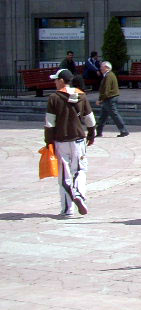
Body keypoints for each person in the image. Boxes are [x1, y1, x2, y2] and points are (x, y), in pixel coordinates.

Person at [44, 68, 96, 217]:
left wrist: (49, 142)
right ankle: (79, 194)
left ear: (61, 81)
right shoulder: (81, 96)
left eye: (55, 79)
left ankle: (67, 209)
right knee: (79, 170)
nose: (54, 82)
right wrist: (91, 134)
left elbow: (49, 123)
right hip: (78, 140)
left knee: (64, 175)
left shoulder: (54, 98)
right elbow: (90, 119)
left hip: (61, 141)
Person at [95, 61, 129, 138]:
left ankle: (124, 130)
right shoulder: (108, 75)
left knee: (114, 115)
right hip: (108, 98)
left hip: (110, 98)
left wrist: (100, 99)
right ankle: (99, 132)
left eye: (102, 67)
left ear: (107, 68)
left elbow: (106, 90)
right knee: (103, 116)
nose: (100, 68)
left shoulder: (109, 76)